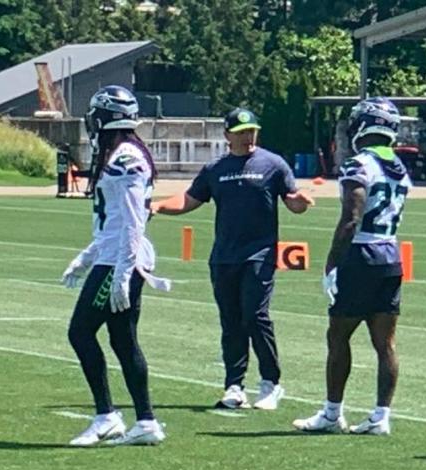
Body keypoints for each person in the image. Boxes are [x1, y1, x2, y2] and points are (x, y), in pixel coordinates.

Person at [152, 107, 313, 410]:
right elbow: (190, 199)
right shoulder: (216, 168)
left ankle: (270, 383)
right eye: (241, 133)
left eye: (252, 131)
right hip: (224, 256)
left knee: (255, 315)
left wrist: (300, 201)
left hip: (260, 253)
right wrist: (159, 207)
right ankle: (234, 385)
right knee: (231, 322)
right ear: (227, 136)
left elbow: (292, 201)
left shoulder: (273, 164)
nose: (248, 137)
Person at [293, 97, 411, 436]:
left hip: (361, 255)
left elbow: (351, 218)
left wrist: (332, 262)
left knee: (338, 334)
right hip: (390, 253)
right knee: (385, 342)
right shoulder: (400, 168)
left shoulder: (359, 164)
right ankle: (381, 415)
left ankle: (332, 412)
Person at [61, 85, 171, 446]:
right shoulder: (122, 153)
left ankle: (107, 415)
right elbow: (114, 224)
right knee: (123, 341)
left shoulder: (123, 158)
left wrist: (122, 273)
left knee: (80, 332)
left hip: (120, 262)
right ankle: (145, 421)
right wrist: (85, 257)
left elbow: (132, 222)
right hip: (114, 257)